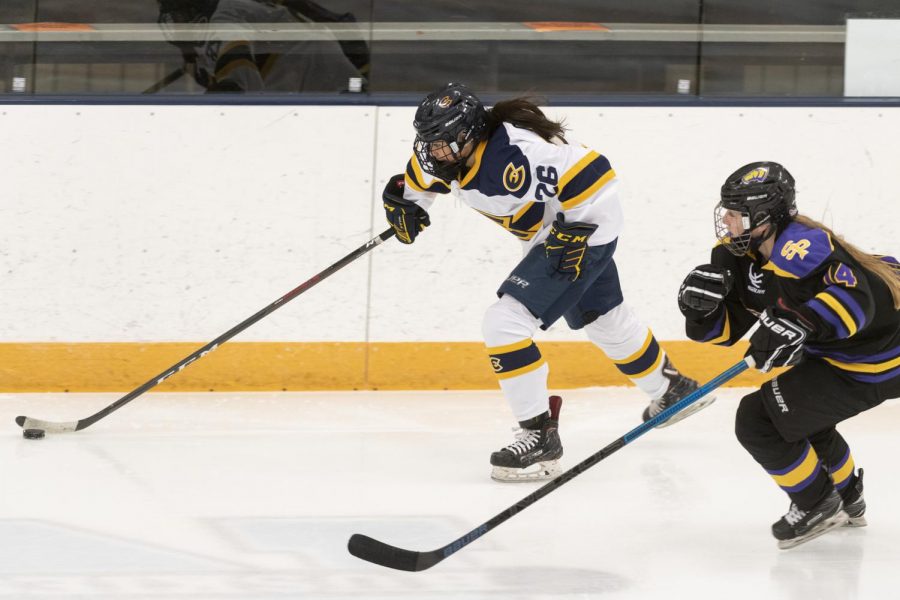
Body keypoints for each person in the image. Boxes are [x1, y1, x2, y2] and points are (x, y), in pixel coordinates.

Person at [382, 82, 711, 482]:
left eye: (442, 143)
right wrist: (406, 203)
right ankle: (671, 390)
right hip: (556, 234)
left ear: (468, 134)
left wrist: (577, 232)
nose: (434, 152)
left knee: (504, 324)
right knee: (604, 318)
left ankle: (539, 437)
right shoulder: (451, 154)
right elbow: (421, 180)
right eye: (428, 142)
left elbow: (595, 172)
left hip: (577, 234)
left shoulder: (515, 153)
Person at [677, 161, 899, 548]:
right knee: (798, 418)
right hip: (841, 356)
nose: (726, 220)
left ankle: (817, 503)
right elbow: (728, 331)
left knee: (757, 418)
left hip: (877, 359)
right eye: (726, 211)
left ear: (763, 217)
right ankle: (847, 498)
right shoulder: (735, 256)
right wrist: (700, 314)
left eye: (735, 213)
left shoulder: (802, 245)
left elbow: (861, 299)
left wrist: (799, 322)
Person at [156, 0, 366, 93]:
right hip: (304, 64)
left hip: (312, 68)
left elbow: (238, 79)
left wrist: (225, 88)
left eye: (179, 15)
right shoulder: (222, 14)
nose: (175, 22)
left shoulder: (225, 18)